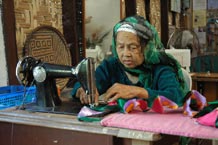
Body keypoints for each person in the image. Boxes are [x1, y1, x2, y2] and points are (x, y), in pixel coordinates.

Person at [72, 15, 189, 110]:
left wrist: (137, 92)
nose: (126, 53)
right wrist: (83, 91)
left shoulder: (161, 68)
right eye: (120, 47)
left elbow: (176, 97)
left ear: (147, 47)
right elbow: (86, 84)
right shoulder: (110, 66)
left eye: (133, 47)